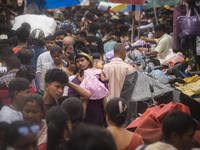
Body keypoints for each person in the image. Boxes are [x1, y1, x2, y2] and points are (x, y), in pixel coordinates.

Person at [68, 47, 107, 125]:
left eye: (82, 60)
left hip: (97, 115)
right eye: (77, 61)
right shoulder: (74, 81)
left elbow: (105, 91)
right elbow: (71, 98)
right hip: (81, 120)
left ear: (89, 61)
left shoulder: (98, 76)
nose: (80, 63)